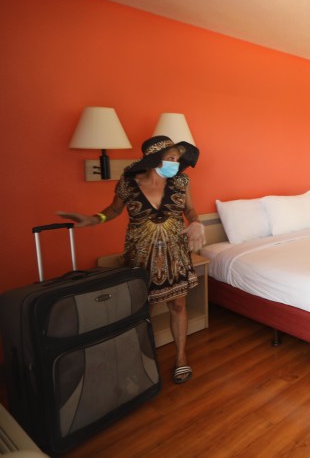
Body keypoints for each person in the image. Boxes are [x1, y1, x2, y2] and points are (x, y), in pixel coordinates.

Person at [58, 135, 205, 385]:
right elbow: (113, 210)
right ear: (153, 160)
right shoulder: (128, 183)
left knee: (178, 305)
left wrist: (197, 222)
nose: (175, 164)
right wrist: (94, 219)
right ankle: (139, 359)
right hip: (141, 255)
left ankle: (181, 357)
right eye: (171, 158)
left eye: (177, 159)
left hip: (175, 254)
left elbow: (189, 209)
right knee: (140, 309)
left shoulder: (181, 181)